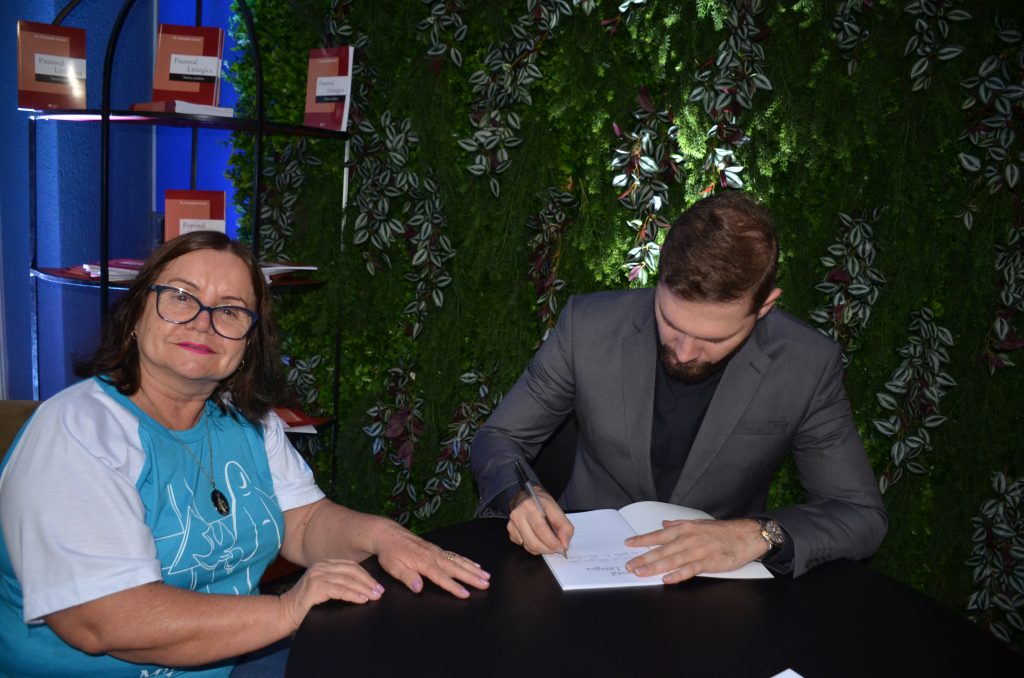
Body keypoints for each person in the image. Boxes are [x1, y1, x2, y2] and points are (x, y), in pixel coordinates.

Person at [0, 231, 490, 676]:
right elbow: (103, 619)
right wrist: (287, 609)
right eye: (181, 296)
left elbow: (303, 523)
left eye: (231, 311)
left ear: (249, 343)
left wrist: (386, 537)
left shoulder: (246, 417)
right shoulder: (77, 431)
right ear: (135, 316)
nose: (204, 322)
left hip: (231, 661)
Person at [470, 192, 887, 581]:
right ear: (659, 279)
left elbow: (860, 513)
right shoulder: (589, 327)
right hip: (582, 565)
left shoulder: (805, 365)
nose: (685, 353)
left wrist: (760, 535)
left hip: (714, 586)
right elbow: (499, 437)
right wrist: (521, 496)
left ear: (764, 306)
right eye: (670, 322)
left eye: (714, 339)